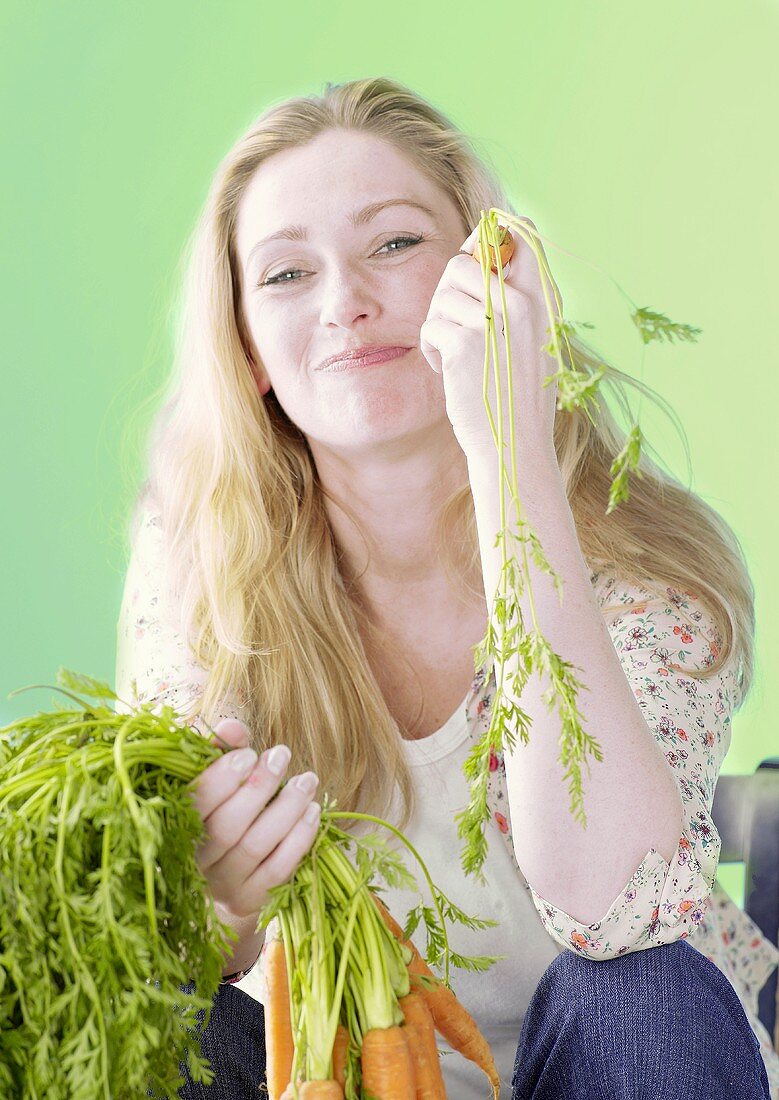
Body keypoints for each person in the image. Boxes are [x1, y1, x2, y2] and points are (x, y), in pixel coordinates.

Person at [115, 77, 777, 1098]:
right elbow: (161, 940)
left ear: (495, 279)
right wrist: (211, 915)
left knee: (643, 992)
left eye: (393, 244)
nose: (345, 301)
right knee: (165, 1021)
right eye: (287, 273)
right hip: (359, 1075)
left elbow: (618, 911)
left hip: (637, 1063)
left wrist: (508, 451)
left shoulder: (650, 561)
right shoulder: (201, 566)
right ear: (246, 347)